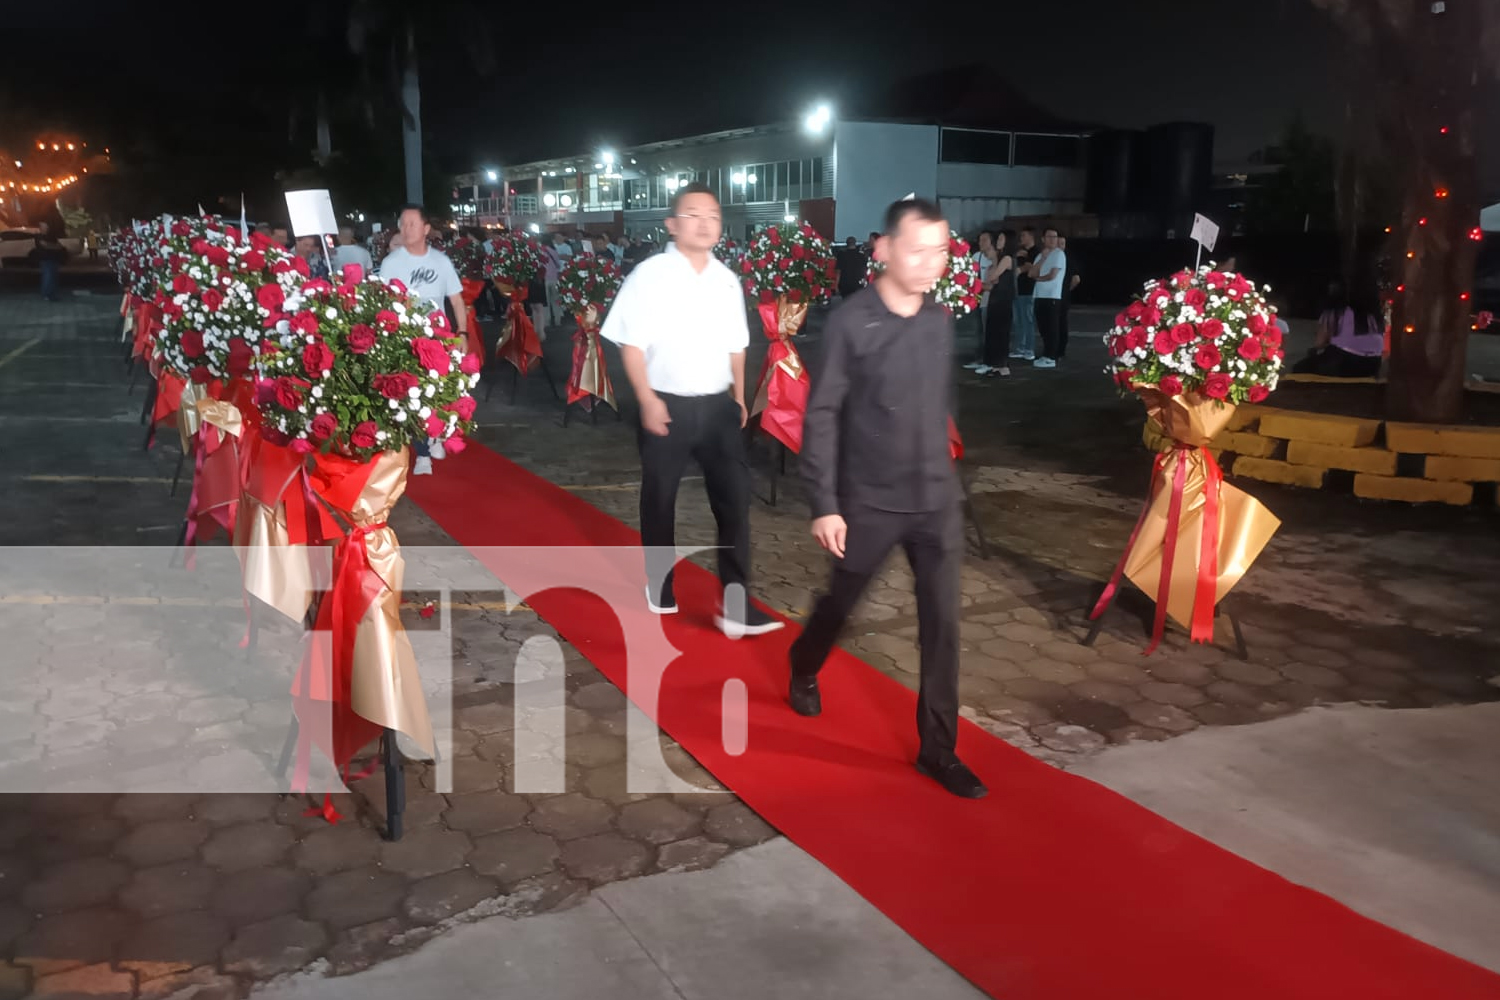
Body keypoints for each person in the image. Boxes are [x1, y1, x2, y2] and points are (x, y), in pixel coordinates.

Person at [790, 196, 986, 800]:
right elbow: (821, 414)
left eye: (942, 251)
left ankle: (938, 750)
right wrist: (826, 501)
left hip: (935, 501)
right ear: (884, 250)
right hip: (868, 503)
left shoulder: (937, 319)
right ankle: (804, 661)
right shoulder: (853, 322)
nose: (933, 263)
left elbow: (932, 404)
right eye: (919, 250)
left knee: (942, 627)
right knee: (840, 603)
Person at [601, 182, 783, 638]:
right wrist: (646, 399)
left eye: (713, 216)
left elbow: (737, 346)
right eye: (694, 214)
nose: (705, 224)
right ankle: (659, 583)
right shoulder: (650, 274)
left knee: (735, 501)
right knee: (660, 497)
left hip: (719, 406)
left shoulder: (726, 279)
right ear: (672, 224)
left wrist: (739, 397)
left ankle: (736, 603)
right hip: (667, 404)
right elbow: (631, 344)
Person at [377, 204, 468, 475]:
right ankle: (423, 453)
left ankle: (435, 435)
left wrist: (462, 333)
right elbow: (384, 301)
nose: (406, 229)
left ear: (426, 229)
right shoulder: (392, 263)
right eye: (402, 224)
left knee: (438, 393)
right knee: (412, 394)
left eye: (412, 224)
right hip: (405, 339)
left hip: (438, 337)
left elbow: (456, 300)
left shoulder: (441, 261)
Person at [1293, 277, 1385, 378]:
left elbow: (1320, 343)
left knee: (1300, 368)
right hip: (1373, 363)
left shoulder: (1333, 312)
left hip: (1345, 361)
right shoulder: (1372, 315)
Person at [1029, 227, 1066, 368]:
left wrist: (1039, 279)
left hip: (1052, 296)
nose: (1052, 240)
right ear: (1043, 239)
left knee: (1051, 328)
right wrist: (1043, 258)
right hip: (1039, 296)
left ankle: (1051, 356)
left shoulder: (1059, 254)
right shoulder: (1041, 255)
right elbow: (1031, 273)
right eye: (1049, 237)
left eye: (1054, 237)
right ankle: (1046, 354)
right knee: (1043, 327)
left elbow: (1052, 275)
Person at [981, 230, 1015, 377]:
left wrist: (990, 277)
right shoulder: (997, 261)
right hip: (995, 300)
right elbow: (990, 282)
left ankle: (1003, 366)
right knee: (993, 333)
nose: (999, 240)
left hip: (1003, 301)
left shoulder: (1007, 258)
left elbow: (993, 277)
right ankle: (995, 365)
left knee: (1001, 333)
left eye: (1002, 238)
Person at [963, 231, 997, 373]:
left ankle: (989, 360)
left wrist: (978, 285)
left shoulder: (996, 259)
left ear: (991, 242)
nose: (981, 243)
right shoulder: (977, 256)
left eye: (984, 240)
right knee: (978, 330)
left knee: (988, 330)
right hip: (978, 299)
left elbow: (992, 284)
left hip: (991, 299)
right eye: (980, 240)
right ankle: (980, 358)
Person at [1011, 227, 1038, 361]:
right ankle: (1020, 347)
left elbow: (1030, 266)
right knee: (1019, 321)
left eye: (1024, 235)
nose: (1021, 238)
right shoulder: (1021, 252)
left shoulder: (1034, 251)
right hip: (1018, 290)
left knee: (1027, 320)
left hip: (1028, 290)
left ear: (1031, 236)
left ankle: (1029, 348)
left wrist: (1019, 270)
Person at [31, 224, 67, 302]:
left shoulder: (51, 236)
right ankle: (46, 294)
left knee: (53, 278)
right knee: (47, 278)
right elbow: (45, 245)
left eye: (47, 227)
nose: (46, 228)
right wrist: (54, 246)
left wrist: (51, 246)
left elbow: (59, 246)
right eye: (45, 227)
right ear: (40, 228)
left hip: (54, 259)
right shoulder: (38, 236)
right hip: (45, 259)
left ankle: (52, 294)